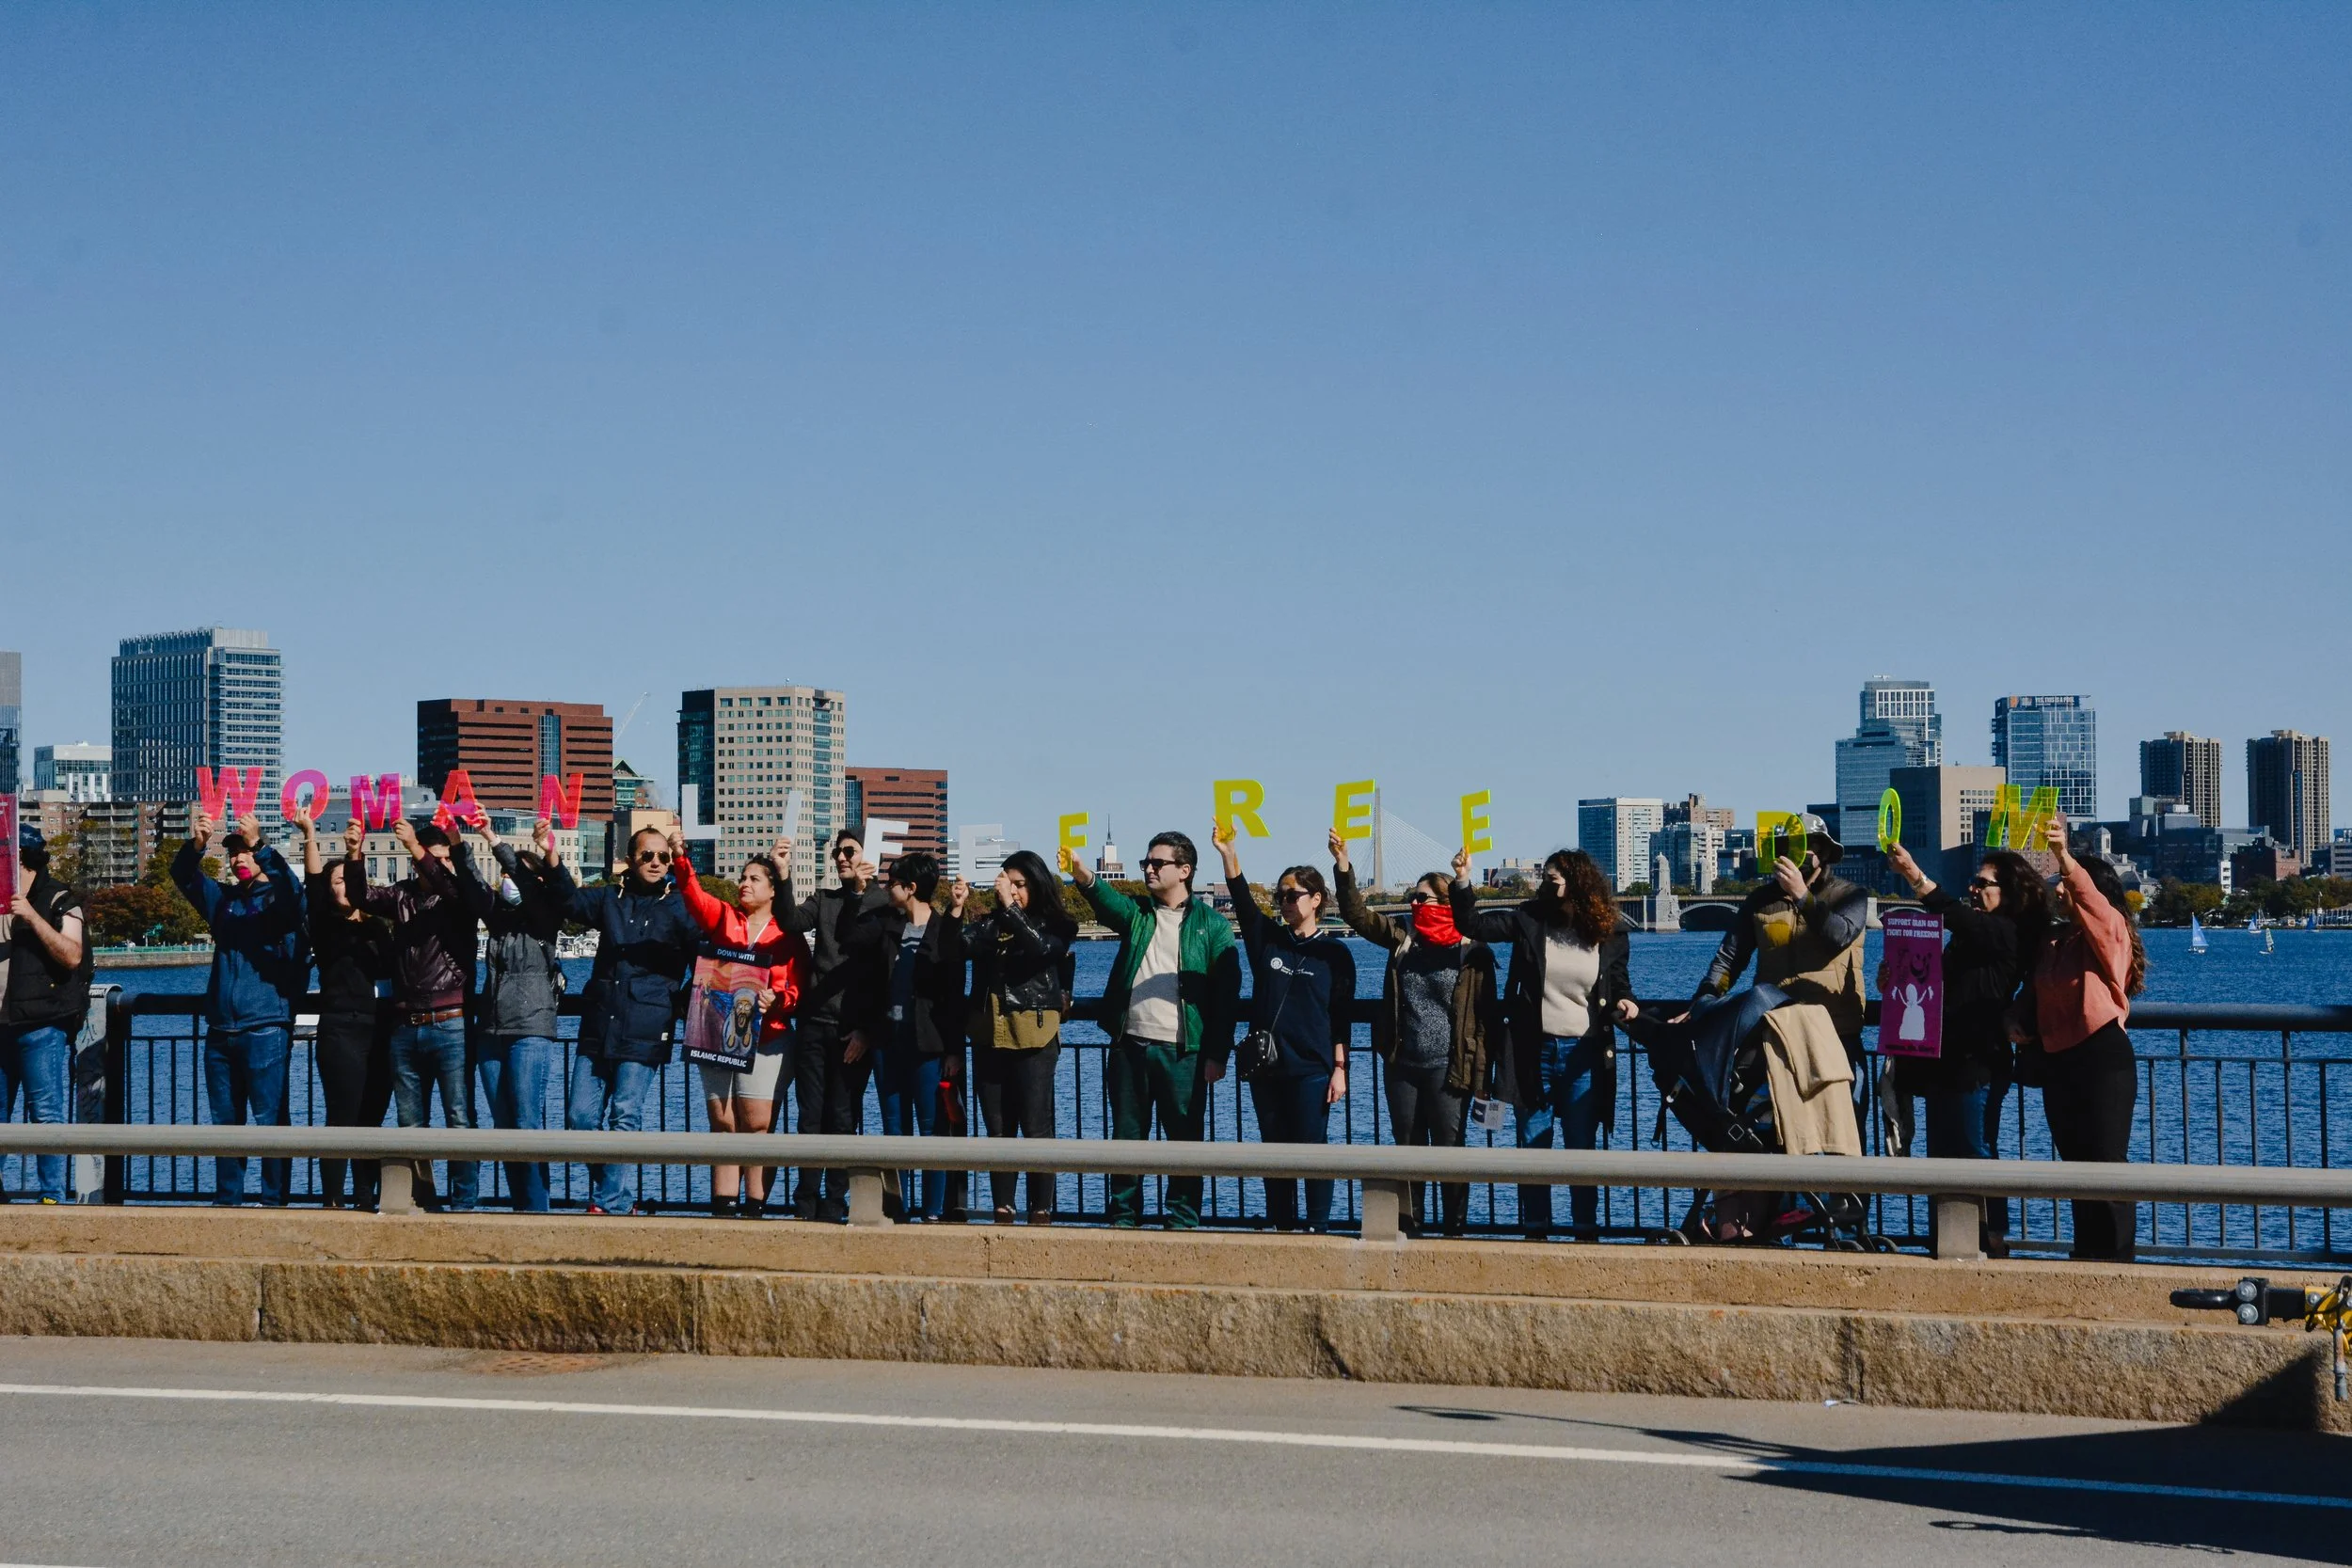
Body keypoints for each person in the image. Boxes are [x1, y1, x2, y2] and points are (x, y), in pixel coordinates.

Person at [1449, 847, 1634, 1239]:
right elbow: (1474, 925)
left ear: (1577, 882)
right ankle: (1535, 1232)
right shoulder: (1530, 919)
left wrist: (1626, 1002)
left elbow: (1618, 983)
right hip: (1533, 1052)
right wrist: (1462, 880)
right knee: (1533, 1147)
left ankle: (1585, 1231)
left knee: (1581, 1149)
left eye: (1553, 878)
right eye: (1546, 879)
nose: (1546, 885)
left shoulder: (1608, 931)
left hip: (1584, 1055)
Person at [1884, 840, 2050, 1255]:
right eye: (1974, 882)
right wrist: (1895, 979)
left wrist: (1914, 875)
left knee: (1976, 1149)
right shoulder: (1970, 938)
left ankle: (1992, 1239)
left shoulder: (2007, 932)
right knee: (1943, 1154)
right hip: (1944, 1058)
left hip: (1978, 1060)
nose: (1973, 889)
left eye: (1983, 883)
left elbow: (1954, 915)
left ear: (2008, 893)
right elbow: (1933, 983)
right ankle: (1948, 1240)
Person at [1069, 831, 1240, 1230]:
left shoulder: (1213, 926)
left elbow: (1227, 997)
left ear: (1184, 870)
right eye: (1146, 862)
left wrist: (1217, 1054)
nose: (1148, 868)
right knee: (1126, 1139)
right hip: (1129, 1047)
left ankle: (1182, 1222)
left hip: (1184, 1053)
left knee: (1185, 1142)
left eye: (1157, 863)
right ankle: (1123, 1218)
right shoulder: (1138, 914)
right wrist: (1082, 874)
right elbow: (1107, 902)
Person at [1330, 829, 1495, 1238]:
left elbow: (1485, 1021)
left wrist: (1481, 1079)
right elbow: (1358, 916)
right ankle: (1409, 1228)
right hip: (1402, 1065)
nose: (1415, 904)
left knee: (1451, 1153)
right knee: (1406, 1150)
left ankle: (1455, 1231)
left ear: (1445, 901)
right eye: (1413, 898)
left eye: (1423, 898)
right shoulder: (1405, 937)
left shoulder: (1472, 950)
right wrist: (1343, 865)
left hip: (1449, 1070)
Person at [1215, 826, 1354, 1232]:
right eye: (1281, 896)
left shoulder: (1335, 954)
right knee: (1273, 1153)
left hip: (1312, 1069)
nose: (1285, 903)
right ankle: (1282, 1227)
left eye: (1293, 895)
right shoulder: (1268, 943)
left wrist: (1340, 1068)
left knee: (1313, 1153)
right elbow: (1243, 901)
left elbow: (1340, 1016)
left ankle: (1318, 1227)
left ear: (1316, 900)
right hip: (1267, 1068)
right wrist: (1228, 853)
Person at [2022, 815, 2146, 1262]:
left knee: (2106, 1164)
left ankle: (2117, 1261)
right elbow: (2034, 993)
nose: (2059, 889)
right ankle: (2086, 1258)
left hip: (2101, 1059)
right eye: (2058, 882)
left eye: (2066, 883)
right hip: (2060, 1062)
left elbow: (2092, 900)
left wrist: (2063, 854)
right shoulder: (2054, 942)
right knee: (2076, 1168)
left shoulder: (2110, 934)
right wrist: (2016, 1019)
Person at [172, 808, 310, 1206]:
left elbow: (296, 893)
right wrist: (198, 845)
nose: (238, 859)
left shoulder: (280, 902)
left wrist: (260, 845)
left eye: (244, 852)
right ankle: (227, 1202)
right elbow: (182, 875)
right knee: (225, 1125)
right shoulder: (223, 901)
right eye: (233, 853)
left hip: (266, 1026)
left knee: (270, 1122)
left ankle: (274, 1202)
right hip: (221, 1032)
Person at [564, 825, 702, 1215]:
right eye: (647, 856)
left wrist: (679, 1001)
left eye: (663, 857)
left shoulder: (680, 905)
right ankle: (620, 1198)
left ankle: (608, 1202)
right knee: (579, 1118)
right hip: (599, 1022)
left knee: (625, 1114)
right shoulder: (610, 897)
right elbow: (568, 901)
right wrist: (553, 859)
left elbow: (704, 962)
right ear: (629, 859)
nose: (656, 862)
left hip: (647, 1024)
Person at [350, 817, 486, 1212]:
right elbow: (361, 897)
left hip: (451, 1022)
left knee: (459, 1118)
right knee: (410, 1124)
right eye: (433, 859)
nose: (440, 866)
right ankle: (423, 1199)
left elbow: (449, 886)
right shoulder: (402, 895)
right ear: (415, 865)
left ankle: (464, 1204)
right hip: (405, 1025)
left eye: (446, 859)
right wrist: (355, 852)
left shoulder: (459, 896)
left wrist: (415, 846)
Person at [672, 827, 809, 1216]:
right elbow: (693, 895)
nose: (744, 884)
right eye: (742, 878)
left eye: (754, 879)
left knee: (757, 1123)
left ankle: (755, 1205)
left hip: (769, 1037)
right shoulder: (724, 918)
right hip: (717, 1033)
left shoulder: (788, 932)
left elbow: (799, 986)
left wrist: (778, 1000)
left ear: (773, 890)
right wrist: (681, 857)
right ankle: (724, 1205)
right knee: (722, 1120)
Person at [846, 852, 965, 1222]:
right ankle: (897, 1210)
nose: (887, 887)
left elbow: (954, 996)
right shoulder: (887, 925)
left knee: (933, 1132)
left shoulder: (943, 931)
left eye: (893, 882)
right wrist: (858, 891)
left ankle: (932, 1213)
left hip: (929, 1046)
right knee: (893, 1130)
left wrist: (954, 1051)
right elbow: (849, 938)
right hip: (888, 1043)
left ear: (911, 888)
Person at [779, 828, 891, 1221]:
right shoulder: (824, 898)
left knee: (843, 1117)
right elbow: (791, 920)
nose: (841, 858)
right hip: (814, 1022)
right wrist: (783, 875)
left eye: (849, 851)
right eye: (837, 852)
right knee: (810, 1116)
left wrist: (867, 1030)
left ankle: (835, 1203)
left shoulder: (882, 903)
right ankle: (805, 1202)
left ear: (868, 856)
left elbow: (884, 977)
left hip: (853, 1030)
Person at [961, 848, 1076, 1224]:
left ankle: (1041, 1208)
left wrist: (1012, 910)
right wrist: (956, 910)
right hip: (988, 1034)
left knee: (1036, 1126)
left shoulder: (1058, 924)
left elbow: (1041, 950)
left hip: (1034, 1035)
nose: (1011, 891)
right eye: (1007, 883)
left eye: (1020, 884)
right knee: (998, 1130)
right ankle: (1003, 1206)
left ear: (1037, 886)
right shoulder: (992, 924)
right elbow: (956, 947)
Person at [1690, 815, 1869, 1053]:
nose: (1793, 854)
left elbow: (1840, 936)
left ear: (1824, 852)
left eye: (1803, 846)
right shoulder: (1760, 900)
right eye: (1786, 846)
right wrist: (1703, 1001)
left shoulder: (1850, 895)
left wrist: (1802, 896)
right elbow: (1730, 958)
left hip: (1835, 1030)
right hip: (1775, 1028)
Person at [473, 816, 577, 1213]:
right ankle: (519, 1207)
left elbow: (529, 885)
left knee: (527, 1123)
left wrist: (494, 839)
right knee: (503, 1128)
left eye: (513, 875)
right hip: (491, 1031)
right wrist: (463, 841)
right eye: (502, 875)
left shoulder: (544, 917)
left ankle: (536, 1210)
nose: (507, 880)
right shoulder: (496, 919)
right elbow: (469, 881)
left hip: (531, 1028)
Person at [298, 812, 394, 1209]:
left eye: (347, 879)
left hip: (381, 1029)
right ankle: (333, 1199)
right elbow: (313, 883)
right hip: (341, 1029)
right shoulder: (325, 925)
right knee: (342, 1115)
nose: (343, 885)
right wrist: (310, 835)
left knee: (372, 1118)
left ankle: (366, 1198)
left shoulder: (379, 927)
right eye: (337, 881)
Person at [5, 824, 91, 1204]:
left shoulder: (60, 898)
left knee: (46, 1113)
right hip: (2, 1023)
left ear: (23, 858)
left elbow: (72, 955)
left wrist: (31, 916)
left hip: (41, 1024)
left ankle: (51, 1195)